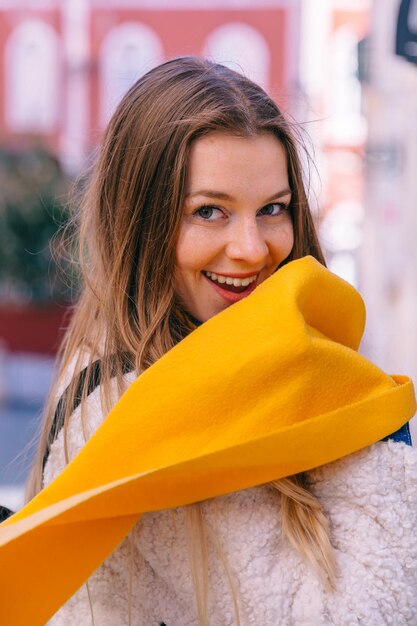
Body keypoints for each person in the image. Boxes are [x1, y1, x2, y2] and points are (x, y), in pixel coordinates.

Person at [2, 56, 417, 625]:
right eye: (209, 212)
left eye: (273, 209)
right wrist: (368, 412)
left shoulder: (234, 367)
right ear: (142, 226)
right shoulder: (146, 402)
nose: (252, 248)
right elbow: (370, 614)